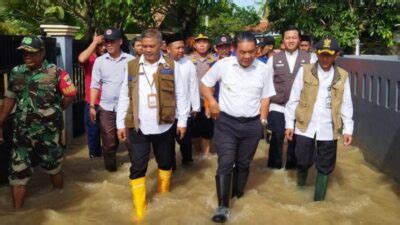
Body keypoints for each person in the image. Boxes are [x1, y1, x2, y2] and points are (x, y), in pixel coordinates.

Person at [201, 31, 275, 223]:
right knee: (225, 162)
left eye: (251, 52)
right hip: (226, 123)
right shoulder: (223, 65)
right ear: (235, 50)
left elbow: (265, 97)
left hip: (252, 125)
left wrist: (263, 121)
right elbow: (205, 85)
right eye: (243, 52)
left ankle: (239, 195)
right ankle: (223, 207)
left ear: (257, 50)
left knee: (243, 164)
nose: (247, 56)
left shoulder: (263, 69)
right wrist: (211, 101)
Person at [116, 29, 189, 220]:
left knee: (165, 162)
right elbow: (124, 96)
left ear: (161, 46)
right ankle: (140, 211)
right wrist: (120, 124)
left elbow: (181, 95)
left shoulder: (172, 66)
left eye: (152, 46)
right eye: (144, 46)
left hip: (164, 125)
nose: (147, 50)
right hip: (138, 126)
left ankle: (163, 196)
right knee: (138, 166)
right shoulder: (131, 66)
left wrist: (182, 122)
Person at [0, 36, 77, 209]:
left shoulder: (56, 72)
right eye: (24, 53)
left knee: (53, 166)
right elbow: (9, 98)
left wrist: (56, 111)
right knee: (17, 173)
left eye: (32, 53)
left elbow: (71, 94)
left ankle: (61, 200)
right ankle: (18, 214)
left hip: (48, 133)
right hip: (21, 132)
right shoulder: (17, 72)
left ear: (42, 52)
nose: (27, 56)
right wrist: (1, 121)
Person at [285, 37, 353, 201]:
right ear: (317, 53)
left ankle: (318, 202)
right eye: (322, 54)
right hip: (305, 125)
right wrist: (289, 125)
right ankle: (300, 192)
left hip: (329, 128)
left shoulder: (342, 76)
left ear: (336, 55)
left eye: (329, 55)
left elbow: (346, 104)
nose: (325, 58)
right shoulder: (305, 71)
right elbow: (293, 98)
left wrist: (348, 130)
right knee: (302, 160)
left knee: (325, 166)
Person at [265, 26, 313, 170]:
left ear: (299, 39)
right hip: (278, 106)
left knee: (295, 140)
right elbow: (266, 84)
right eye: (287, 38)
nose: (291, 40)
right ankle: (274, 169)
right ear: (283, 40)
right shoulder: (273, 59)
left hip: (300, 107)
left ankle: (291, 170)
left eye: (294, 37)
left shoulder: (310, 58)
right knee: (278, 135)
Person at [90, 28, 134, 171]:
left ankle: (137, 171)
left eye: (112, 41)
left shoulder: (131, 60)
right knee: (109, 145)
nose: (108, 44)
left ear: (120, 42)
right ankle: (110, 172)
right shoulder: (99, 61)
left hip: (127, 108)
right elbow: (95, 85)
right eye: (106, 42)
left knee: (130, 142)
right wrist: (92, 106)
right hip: (106, 108)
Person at [165, 33, 200, 167]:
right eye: (177, 48)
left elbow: (193, 86)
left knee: (185, 142)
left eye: (182, 47)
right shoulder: (162, 64)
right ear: (168, 49)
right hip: (167, 112)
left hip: (184, 111)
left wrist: (196, 107)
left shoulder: (188, 64)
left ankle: (187, 163)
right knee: (167, 146)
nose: (181, 50)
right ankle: (171, 168)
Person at [78, 33, 106, 158]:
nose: (103, 48)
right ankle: (94, 155)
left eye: (104, 45)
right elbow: (81, 59)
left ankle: (108, 154)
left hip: (108, 102)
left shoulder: (110, 59)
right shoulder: (90, 59)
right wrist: (94, 42)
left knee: (108, 131)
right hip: (92, 102)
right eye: (100, 46)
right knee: (92, 131)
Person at [189, 33, 217, 157]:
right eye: (199, 42)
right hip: (192, 101)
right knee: (193, 132)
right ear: (194, 45)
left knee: (207, 129)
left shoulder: (215, 60)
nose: (201, 45)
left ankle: (205, 156)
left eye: (204, 42)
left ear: (209, 44)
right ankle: (197, 152)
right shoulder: (187, 60)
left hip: (208, 101)